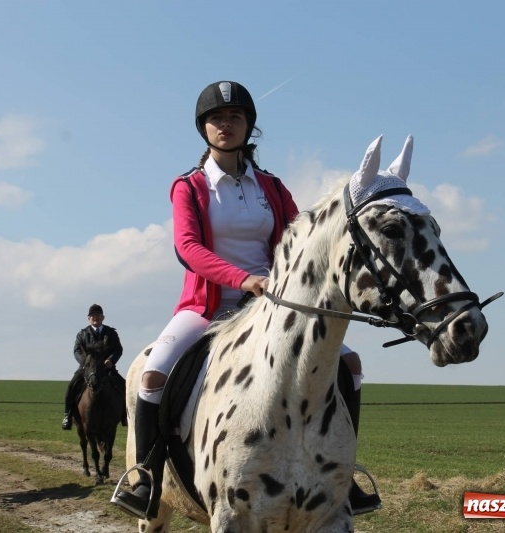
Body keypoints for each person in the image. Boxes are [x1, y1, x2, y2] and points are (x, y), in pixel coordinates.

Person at [112, 81, 374, 519]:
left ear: (249, 125)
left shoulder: (270, 186)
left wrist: (282, 284)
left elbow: (302, 238)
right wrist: (242, 278)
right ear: (204, 128)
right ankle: (146, 477)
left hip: (274, 307)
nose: (225, 125)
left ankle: (343, 480)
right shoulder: (189, 187)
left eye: (234, 118)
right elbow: (188, 248)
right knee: (154, 373)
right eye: (216, 118)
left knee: (350, 364)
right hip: (207, 308)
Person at [62, 304, 126, 430]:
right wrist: (85, 362)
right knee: (71, 386)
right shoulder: (82, 334)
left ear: (103, 317)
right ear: (88, 318)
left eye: (97, 315)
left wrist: (111, 360)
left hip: (107, 368)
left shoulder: (111, 333)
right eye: (92, 316)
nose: (95, 317)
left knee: (124, 386)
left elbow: (118, 349)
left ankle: (125, 415)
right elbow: (76, 350)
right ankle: (67, 415)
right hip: (87, 369)